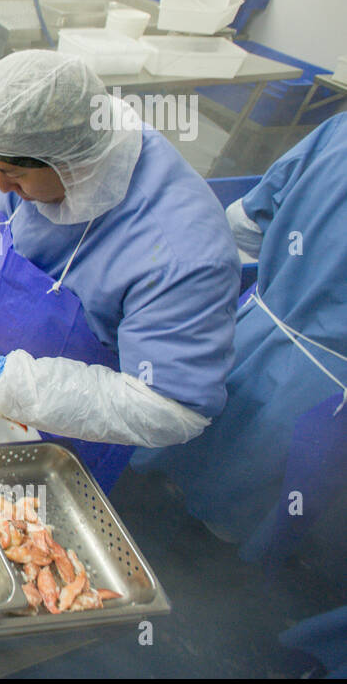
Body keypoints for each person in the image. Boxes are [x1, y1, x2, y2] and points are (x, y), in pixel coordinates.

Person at [0, 50, 240, 490]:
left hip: (70, 442)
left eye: (12, 175)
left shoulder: (183, 250)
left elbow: (172, 407)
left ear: (70, 163)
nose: (1, 186)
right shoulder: (30, 150)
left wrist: (4, 376)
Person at [132, 116, 347, 564]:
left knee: (178, 444)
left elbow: (244, 221)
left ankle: (137, 534)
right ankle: (190, 577)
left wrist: (288, 277)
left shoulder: (339, 129)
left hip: (252, 328)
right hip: (322, 391)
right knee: (236, 501)